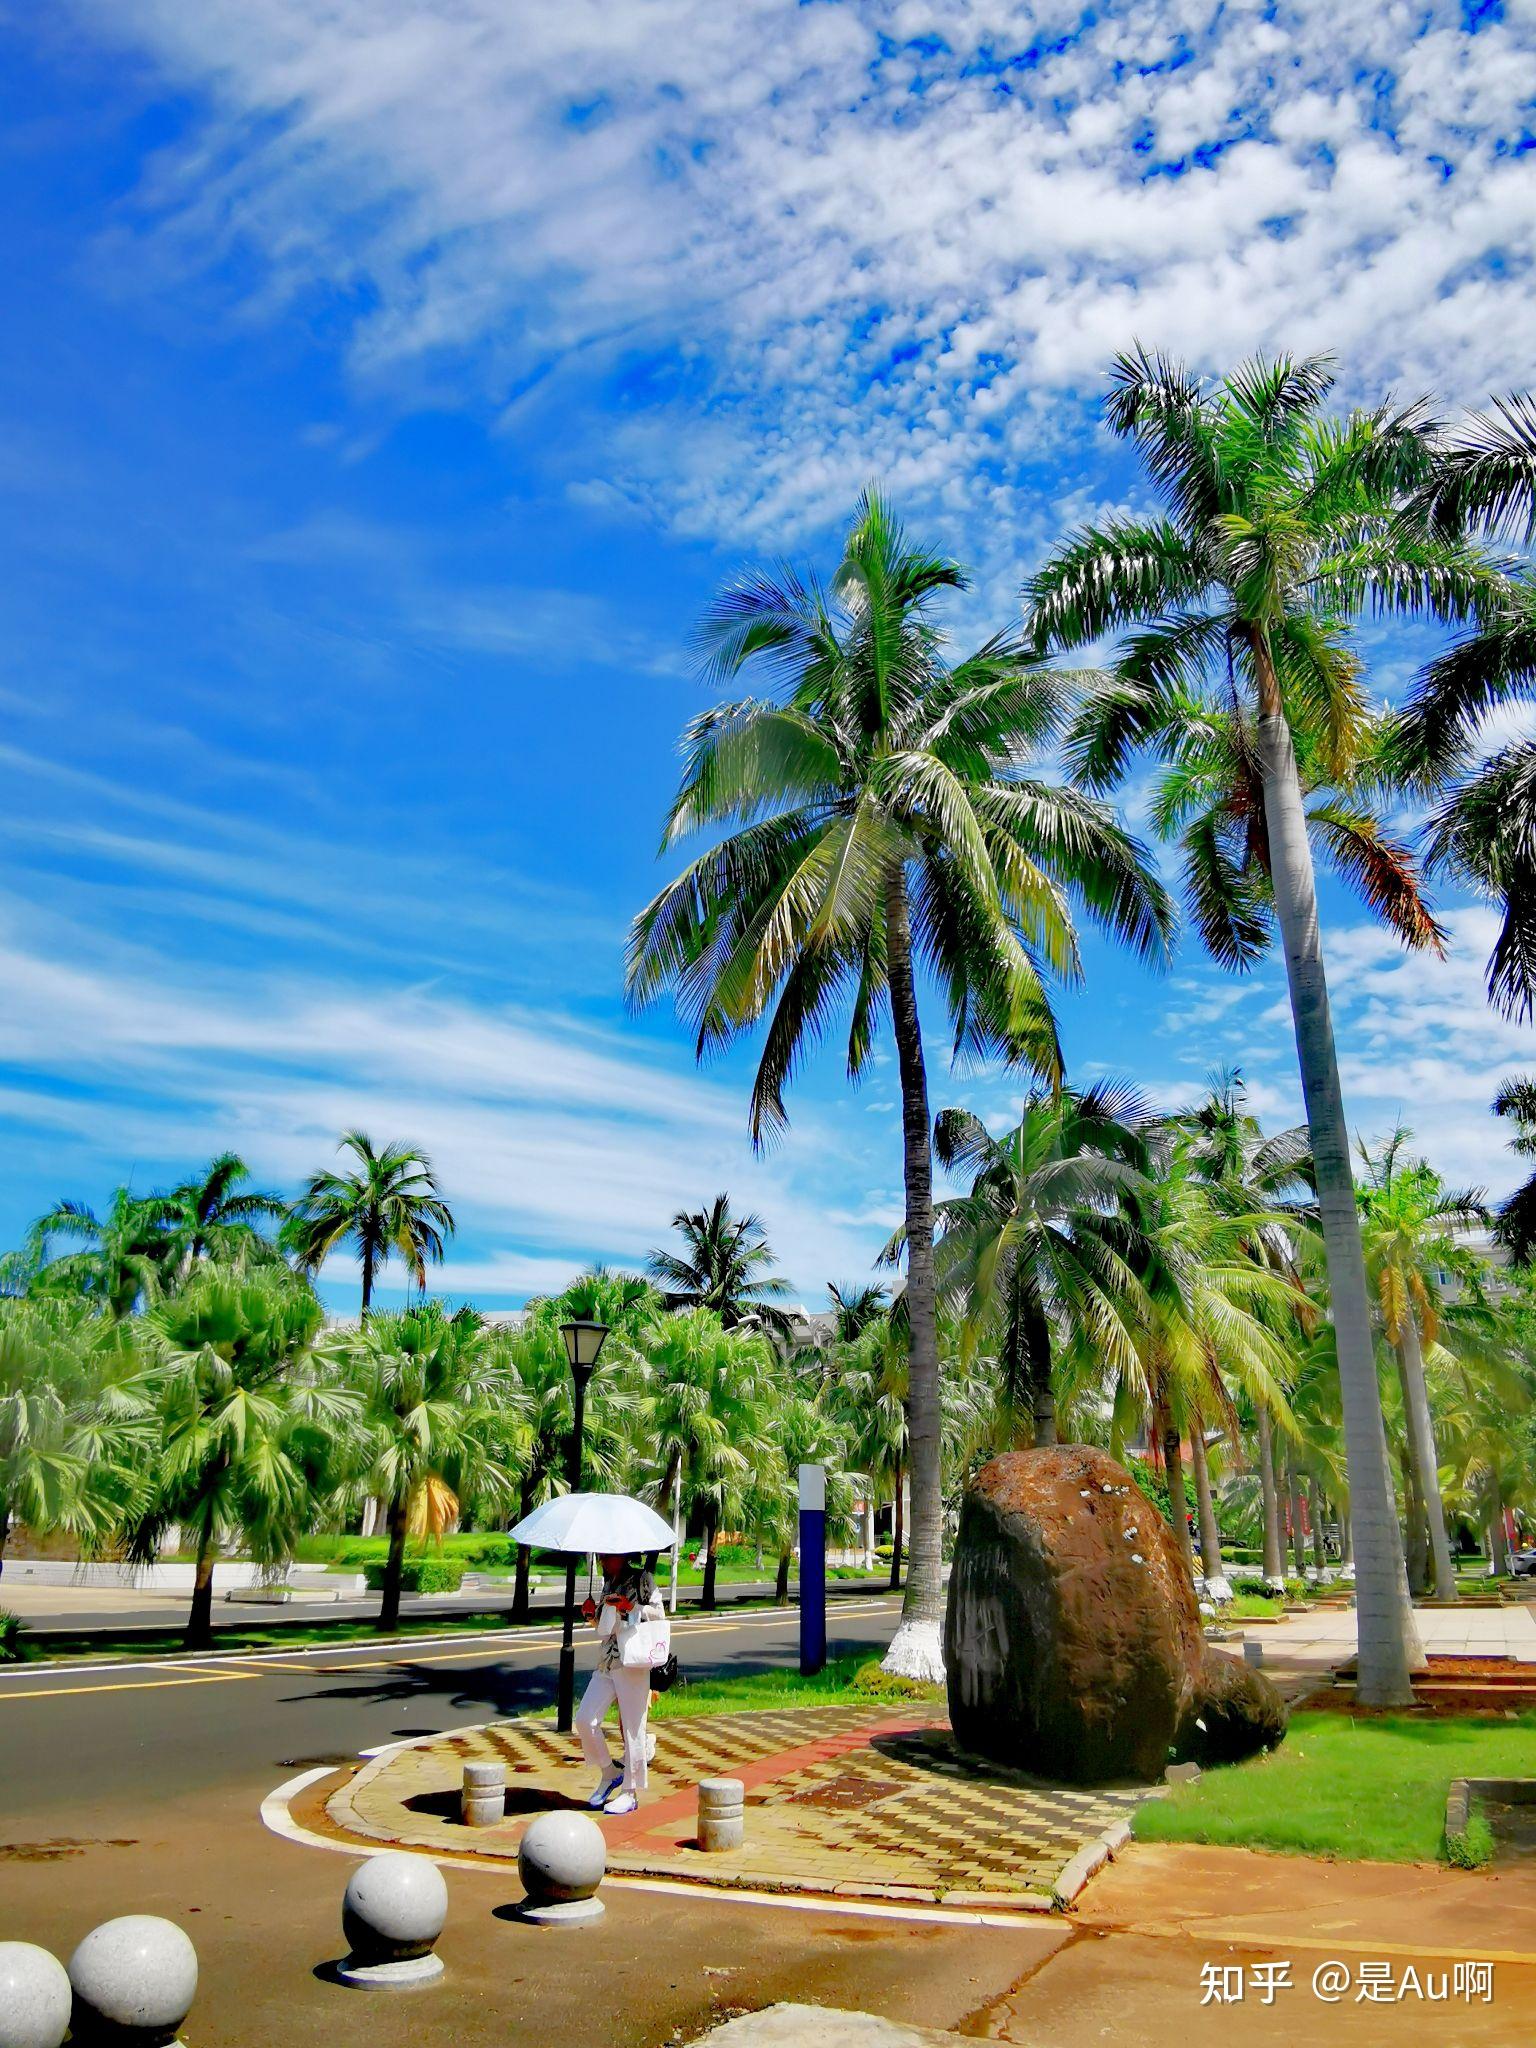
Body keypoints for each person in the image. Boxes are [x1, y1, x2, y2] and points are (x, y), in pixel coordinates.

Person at [575, 1552, 667, 1815]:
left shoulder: (643, 1579)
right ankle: (609, 1771)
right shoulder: (608, 1583)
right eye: (602, 1556)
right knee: (585, 1720)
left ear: (623, 1555)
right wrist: (592, 1616)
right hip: (607, 1661)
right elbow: (604, 1627)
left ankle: (631, 1792)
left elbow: (659, 1615)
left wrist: (631, 1607)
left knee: (633, 1728)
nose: (603, 1560)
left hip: (633, 1662)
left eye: (607, 1556)